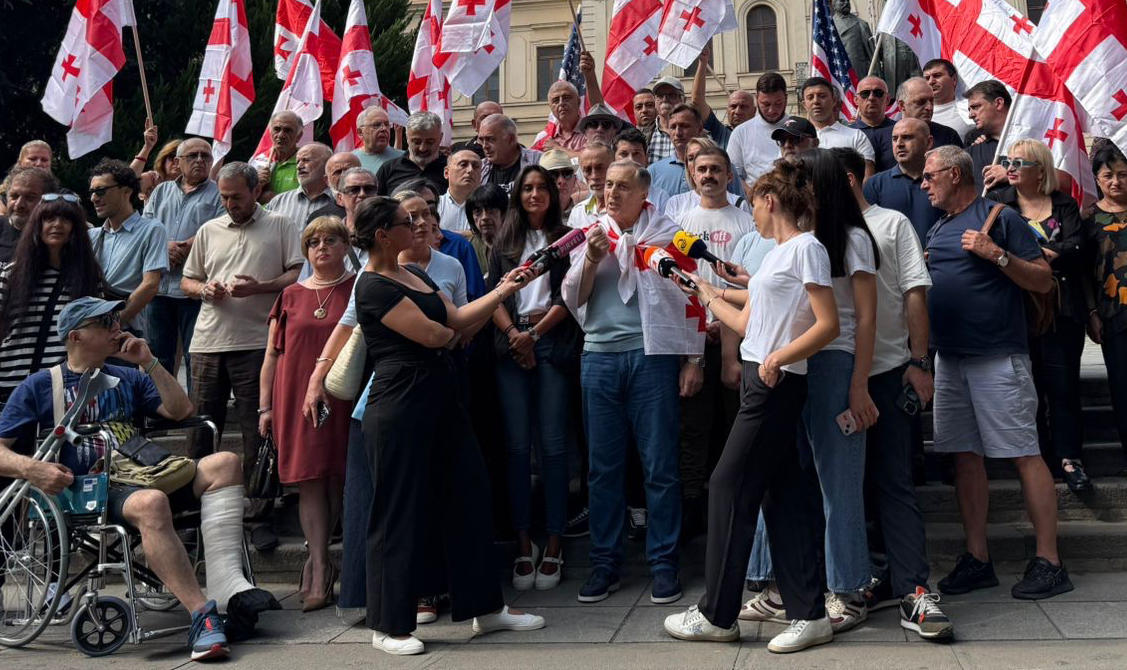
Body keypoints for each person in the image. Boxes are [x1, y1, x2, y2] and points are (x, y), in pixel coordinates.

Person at [0, 297, 279, 662]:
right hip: (91, 490)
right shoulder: (40, 385)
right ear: (75, 337)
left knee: (225, 462)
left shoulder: (129, 376)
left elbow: (182, 411)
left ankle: (229, 586)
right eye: (105, 323)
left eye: (117, 319)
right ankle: (201, 615)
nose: (118, 327)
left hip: (147, 470)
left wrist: (149, 362)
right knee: (151, 502)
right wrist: (34, 469)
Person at [350, 196, 545, 655]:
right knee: (398, 513)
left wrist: (502, 289)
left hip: (441, 397)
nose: (417, 225)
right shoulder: (372, 285)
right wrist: (456, 330)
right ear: (383, 233)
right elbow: (440, 334)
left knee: (470, 496)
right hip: (399, 405)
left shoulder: (414, 274)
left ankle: (486, 608)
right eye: (406, 221)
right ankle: (388, 625)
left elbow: (458, 319)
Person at [662, 159, 840, 652]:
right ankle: (809, 612)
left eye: (755, 204)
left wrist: (781, 357)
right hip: (764, 377)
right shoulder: (779, 254)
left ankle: (717, 613)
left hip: (775, 382)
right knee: (782, 497)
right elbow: (747, 325)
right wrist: (704, 290)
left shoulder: (806, 247)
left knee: (726, 484)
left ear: (770, 200)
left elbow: (828, 325)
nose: (751, 216)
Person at [920, 145, 1072, 600]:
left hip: (998, 358)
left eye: (930, 176)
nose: (924, 184)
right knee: (965, 457)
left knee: (1024, 453)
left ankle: (1050, 562)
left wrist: (997, 256)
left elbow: (1045, 279)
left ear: (953, 174)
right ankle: (977, 557)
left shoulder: (999, 218)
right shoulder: (938, 227)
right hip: (951, 359)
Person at [743, 148, 880, 633]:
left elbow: (864, 317)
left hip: (834, 363)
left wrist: (859, 384)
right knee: (788, 479)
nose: (799, 188)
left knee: (837, 480)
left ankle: (848, 589)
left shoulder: (851, 240)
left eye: (808, 180)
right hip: (798, 362)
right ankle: (781, 583)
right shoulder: (803, 243)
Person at [560, 160, 706, 606]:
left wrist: (694, 360)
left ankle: (663, 563)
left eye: (622, 186)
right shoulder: (588, 234)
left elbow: (690, 295)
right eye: (607, 186)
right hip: (599, 359)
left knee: (659, 466)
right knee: (603, 469)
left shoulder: (667, 234)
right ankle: (605, 563)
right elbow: (572, 297)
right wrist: (592, 258)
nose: (611, 193)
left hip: (652, 358)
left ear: (645, 194)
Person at [836, 147, 954, 639]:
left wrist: (919, 362)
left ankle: (913, 589)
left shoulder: (892, 224)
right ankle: (854, 581)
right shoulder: (811, 230)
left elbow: (914, 294)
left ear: (848, 178)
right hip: (830, 379)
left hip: (887, 373)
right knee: (844, 489)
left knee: (893, 482)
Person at [180, 162, 304, 552]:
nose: (230, 203)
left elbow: (297, 275)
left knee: (258, 433)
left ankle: (258, 516)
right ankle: (191, 513)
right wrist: (204, 290)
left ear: (255, 191)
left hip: (256, 343)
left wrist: (261, 288)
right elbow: (186, 279)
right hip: (207, 342)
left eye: (236, 196)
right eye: (224, 197)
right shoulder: (208, 230)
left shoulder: (282, 224)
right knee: (201, 430)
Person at [488, 165, 579, 591]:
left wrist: (534, 335)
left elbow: (572, 298)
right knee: (516, 448)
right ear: (518, 195)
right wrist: (513, 335)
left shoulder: (566, 237)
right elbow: (493, 297)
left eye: (543, 187)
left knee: (555, 447)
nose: (535, 194)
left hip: (551, 343)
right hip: (510, 346)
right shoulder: (504, 240)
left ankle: (556, 542)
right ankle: (524, 543)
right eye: (527, 187)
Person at [258, 216, 355, 612]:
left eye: (331, 239)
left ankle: (336, 562)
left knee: (340, 477)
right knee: (310, 480)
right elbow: (271, 355)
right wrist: (264, 407)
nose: (322, 247)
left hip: (342, 394)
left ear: (346, 245)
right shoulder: (290, 296)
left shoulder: (357, 288)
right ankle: (317, 563)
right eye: (313, 241)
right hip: (295, 395)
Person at [987, 139, 1089, 492]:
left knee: (1063, 388)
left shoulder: (1063, 204)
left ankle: (1069, 458)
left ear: (1041, 171)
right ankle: (1038, 459)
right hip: (1018, 311)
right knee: (1026, 390)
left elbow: (1078, 246)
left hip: (1062, 311)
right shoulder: (999, 206)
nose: (1011, 167)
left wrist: (1042, 253)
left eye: (1020, 162)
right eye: (1008, 161)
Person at [673, 146, 754, 538]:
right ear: (691, 172)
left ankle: (731, 516)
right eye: (701, 168)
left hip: (735, 338)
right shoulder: (679, 221)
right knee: (692, 433)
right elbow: (673, 286)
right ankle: (693, 518)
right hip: (692, 339)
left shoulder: (747, 222)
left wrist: (730, 349)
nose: (708, 175)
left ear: (728, 175)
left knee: (731, 429)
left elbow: (749, 285)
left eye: (716, 169)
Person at [0, 193, 104, 401]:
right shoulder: (12, 274)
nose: (57, 225)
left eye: (66, 219)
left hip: (59, 384)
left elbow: (95, 332)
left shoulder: (88, 278)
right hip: (9, 379)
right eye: (49, 219)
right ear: (37, 224)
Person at [143, 138, 224, 382]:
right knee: (158, 357)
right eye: (193, 156)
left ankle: (193, 412)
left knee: (195, 356)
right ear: (178, 162)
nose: (200, 160)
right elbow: (146, 227)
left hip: (194, 289)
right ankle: (160, 412)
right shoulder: (161, 191)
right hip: (159, 288)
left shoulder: (219, 193)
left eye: (206, 156)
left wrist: (187, 246)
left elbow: (219, 228)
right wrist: (163, 247)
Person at [88, 159, 169, 335]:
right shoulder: (92, 236)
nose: (94, 198)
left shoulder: (151, 229)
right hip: (90, 328)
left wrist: (114, 323)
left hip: (125, 333)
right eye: (92, 192)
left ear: (126, 191)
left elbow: (150, 285)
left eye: (100, 191)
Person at [1087, 144, 1127, 461]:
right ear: (1097, 179)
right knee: (1123, 387)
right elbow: (1085, 274)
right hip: (1114, 314)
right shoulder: (1089, 219)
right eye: (1108, 175)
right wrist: (1092, 313)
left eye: (1123, 174)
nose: (1116, 181)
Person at [864, 118, 945, 243]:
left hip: (937, 258)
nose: (899, 144)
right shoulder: (875, 184)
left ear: (928, 142)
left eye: (907, 137)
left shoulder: (944, 181)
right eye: (895, 139)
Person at [800, 77, 875, 179]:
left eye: (822, 96)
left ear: (834, 100)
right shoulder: (794, 140)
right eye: (810, 97)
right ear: (804, 104)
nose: (816, 101)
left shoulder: (856, 136)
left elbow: (867, 178)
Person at [726, 73, 790, 187]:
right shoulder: (741, 133)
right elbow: (734, 175)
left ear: (786, 98)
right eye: (766, 104)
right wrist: (754, 198)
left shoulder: (799, 129)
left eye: (778, 104)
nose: (771, 110)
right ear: (757, 99)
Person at [375, 111, 449, 195]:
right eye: (417, 142)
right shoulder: (388, 169)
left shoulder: (452, 169)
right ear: (407, 138)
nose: (422, 148)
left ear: (440, 138)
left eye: (430, 142)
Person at [265, 142, 335, 229]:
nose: (299, 166)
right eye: (297, 162)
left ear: (327, 165)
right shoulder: (278, 202)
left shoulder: (342, 201)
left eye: (306, 160)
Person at [1, 167, 58, 263]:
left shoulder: (58, 238)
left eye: (30, 198)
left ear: (49, 202)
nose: (19, 204)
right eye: (14, 196)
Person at [963, 80, 1011, 192]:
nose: (970, 115)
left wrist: (1012, 172)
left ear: (998, 103)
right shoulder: (971, 153)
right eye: (969, 109)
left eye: (976, 107)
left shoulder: (1034, 138)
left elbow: (1052, 170)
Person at [896, 77, 964, 152]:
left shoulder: (948, 136)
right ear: (902, 105)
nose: (929, 107)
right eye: (921, 102)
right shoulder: (883, 137)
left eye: (931, 101)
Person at [480, 114, 543, 193]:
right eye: (482, 140)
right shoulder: (479, 168)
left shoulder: (539, 161)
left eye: (491, 139)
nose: (485, 146)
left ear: (511, 139)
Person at [850, 76, 897, 173]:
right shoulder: (847, 133)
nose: (871, 97)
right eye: (865, 94)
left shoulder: (900, 130)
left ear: (887, 99)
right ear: (856, 100)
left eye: (878, 93)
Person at [254, 111, 304, 201]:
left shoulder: (306, 164)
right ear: (270, 132)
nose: (281, 135)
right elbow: (242, 201)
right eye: (276, 129)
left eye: (288, 130)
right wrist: (256, 186)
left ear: (299, 136)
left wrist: (275, 200)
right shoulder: (257, 161)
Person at [923, 58, 976, 141]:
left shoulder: (971, 108)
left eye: (937, 76)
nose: (931, 82)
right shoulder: (917, 110)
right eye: (927, 78)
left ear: (954, 80)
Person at [568, 142, 614, 229]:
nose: (594, 176)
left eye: (600, 168)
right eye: (588, 170)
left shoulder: (633, 207)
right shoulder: (578, 213)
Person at [532, 81, 587, 153]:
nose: (561, 103)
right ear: (550, 107)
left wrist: (558, 149)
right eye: (556, 100)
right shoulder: (543, 138)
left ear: (578, 102)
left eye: (566, 98)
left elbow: (592, 160)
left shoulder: (592, 131)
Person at [466, 184, 508, 277]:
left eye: (491, 210)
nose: (484, 217)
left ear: (503, 213)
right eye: (478, 212)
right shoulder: (469, 248)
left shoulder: (516, 243)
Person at [438, 149, 484, 233]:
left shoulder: (490, 208)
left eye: (475, 166)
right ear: (446, 173)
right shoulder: (435, 205)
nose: (470, 170)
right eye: (463, 165)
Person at [353, 107, 404, 173]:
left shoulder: (404, 158)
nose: (384, 129)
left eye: (386, 124)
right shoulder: (349, 161)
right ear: (360, 132)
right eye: (376, 125)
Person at [633, 88, 675, 163]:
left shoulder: (673, 131)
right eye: (639, 107)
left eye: (649, 105)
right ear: (634, 111)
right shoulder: (627, 139)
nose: (644, 110)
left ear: (656, 106)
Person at [540, 149, 582, 216]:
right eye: (552, 175)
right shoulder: (530, 219)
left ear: (574, 179)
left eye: (567, 173)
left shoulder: (585, 216)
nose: (561, 181)